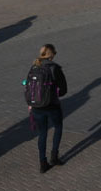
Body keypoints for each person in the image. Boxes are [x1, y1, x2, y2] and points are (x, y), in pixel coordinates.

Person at [27, 43, 67, 172]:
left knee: (42, 133)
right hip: (51, 105)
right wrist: (55, 94)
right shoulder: (54, 68)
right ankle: (54, 156)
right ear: (52, 55)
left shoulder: (34, 66)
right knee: (58, 126)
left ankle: (42, 163)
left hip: (36, 106)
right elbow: (64, 90)